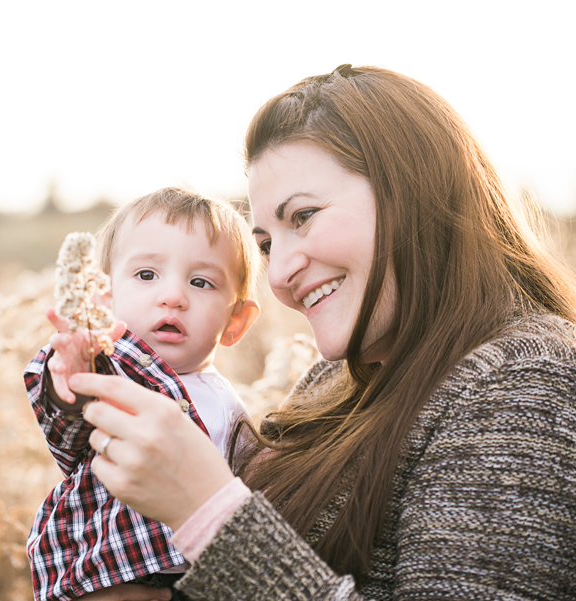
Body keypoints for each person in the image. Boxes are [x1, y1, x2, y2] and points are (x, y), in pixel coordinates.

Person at [68, 64, 576, 600]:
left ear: (412, 190)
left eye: (303, 216)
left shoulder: (523, 384)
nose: (281, 273)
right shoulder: (334, 380)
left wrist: (209, 513)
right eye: (265, 244)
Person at [25, 188, 261, 600]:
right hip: (108, 571)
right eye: (147, 275)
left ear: (235, 322)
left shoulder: (227, 404)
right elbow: (67, 429)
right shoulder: (115, 364)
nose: (172, 296)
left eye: (201, 282)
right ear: (105, 299)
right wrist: (72, 378)